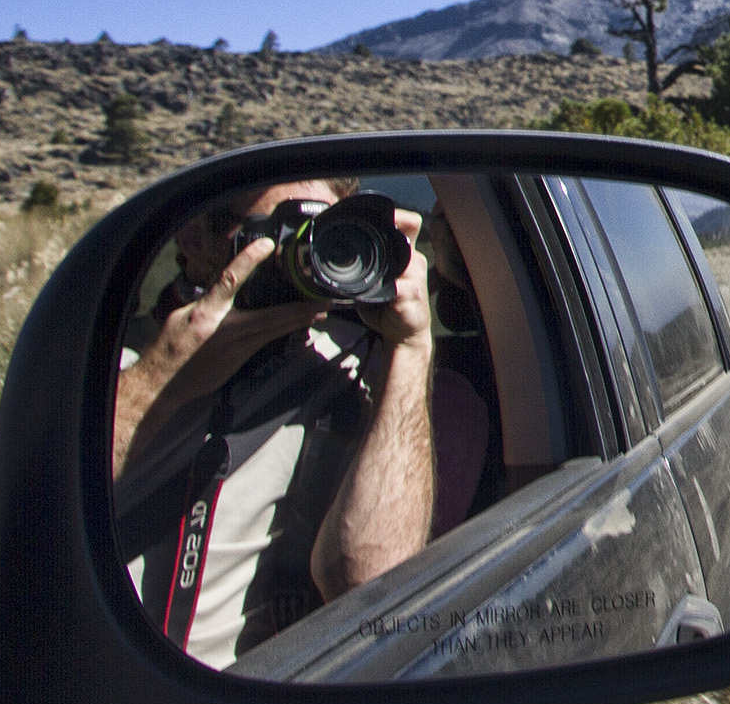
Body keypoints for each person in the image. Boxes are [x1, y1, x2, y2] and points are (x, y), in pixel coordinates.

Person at [110, 178, 488, 669]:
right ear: (195, 240)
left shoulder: (362, 377)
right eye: (281, 234)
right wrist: (163, 378)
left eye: (322, 231)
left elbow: (368, 589)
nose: (307, 256)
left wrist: (410, 350)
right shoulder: (121, 360)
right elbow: (32, 512)